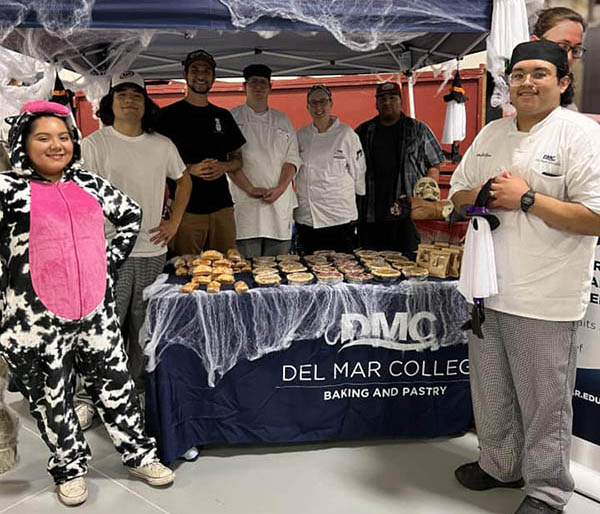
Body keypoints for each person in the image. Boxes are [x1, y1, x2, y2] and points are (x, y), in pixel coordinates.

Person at [449, 40, 600, 514]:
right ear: (508, 82)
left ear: (563, 81)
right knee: (491, 392)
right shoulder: (492, 133)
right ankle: (499, 465)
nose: (527, 82)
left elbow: (595, 216)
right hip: (487, 290)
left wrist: (527, 198)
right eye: (518, 74)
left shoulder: (580, 134)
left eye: (539, 73)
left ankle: (548, 490)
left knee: (544, 404)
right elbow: (456, 197)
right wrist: (487, 192)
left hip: (545, 294)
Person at [0, 100, 174, 507]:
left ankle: (139, 455)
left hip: (96, 311)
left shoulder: (88, 185)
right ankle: (69, 467)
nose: (56, 145)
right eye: (43, 137)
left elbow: (130, 215)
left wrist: (107, 264)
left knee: (118, 388)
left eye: (63, 137)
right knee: (52, 398)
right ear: (23, 142)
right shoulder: (8, 190)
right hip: (34, 319)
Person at [77, 71, 191, 428]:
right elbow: (80, 195)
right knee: (103, 327)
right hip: (107, 253)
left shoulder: (162, 145)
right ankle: (88, 397)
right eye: (122, 94)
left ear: (146, 104)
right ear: (110, 103)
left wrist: (173, 223)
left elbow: (184, 180)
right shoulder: (94, 144)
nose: (130, 100)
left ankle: (136, 390)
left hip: (151, 252)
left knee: (143, 328)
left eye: (137, 95)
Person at [157, 49, 246, 255]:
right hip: (185, 211)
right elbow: (154, 164)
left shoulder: (222, 116)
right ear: (185, 75)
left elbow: (238, 160)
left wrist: (224, 166)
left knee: (227, 270)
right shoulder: (166, 116)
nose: (200, 75)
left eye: (206, 71)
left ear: (213, 77)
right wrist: (188, 169)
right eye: (195, 70)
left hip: (222, 208)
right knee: (187, 272)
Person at [355, 82, 444, 255]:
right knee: (370, 268)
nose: (387, 102)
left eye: (392, 98)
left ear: (400, 101)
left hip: (408, 216)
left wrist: (427, 200)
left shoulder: (418, 129)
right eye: (382, 99)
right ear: (376, 103)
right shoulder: (363, 132)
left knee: (409, 263)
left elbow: (434, 164)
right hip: (372, 215)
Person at [229, 64, 301, 257]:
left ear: (270, 87)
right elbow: (228, 161)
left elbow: (292, 158)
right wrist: (250, 188)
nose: (258, 87)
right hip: (245, 206)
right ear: (244, 86)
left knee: (279, 270)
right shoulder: (232, 118)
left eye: (263, 83)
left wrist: (280, 188)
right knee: (246, 269)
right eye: (253, 82)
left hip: (278, 206)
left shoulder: (282, 120)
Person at [294, 85, 366, 254]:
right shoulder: (301, 135)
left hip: (338, 216)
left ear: (331, 103)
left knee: (343, 269)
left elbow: (359, 172)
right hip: (307, 217)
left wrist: (356, 200)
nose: (319, 107)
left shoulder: (346, 134)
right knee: (309, 269)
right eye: (313, 103)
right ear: (308, 107)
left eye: (323, 101)